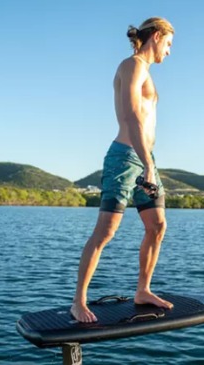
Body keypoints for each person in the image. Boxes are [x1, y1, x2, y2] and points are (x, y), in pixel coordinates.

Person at [71, 17, 175, 322]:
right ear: (156, 36)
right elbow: (132, 118)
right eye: (168, 44)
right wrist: (147, 165)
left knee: (157, 226)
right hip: (125, 158)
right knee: (105, 231)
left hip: (145, 158)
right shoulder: (132, 66)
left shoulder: (147, 73)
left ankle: (143, 290)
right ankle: (78, 301)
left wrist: (149, 163)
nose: (168, 52)